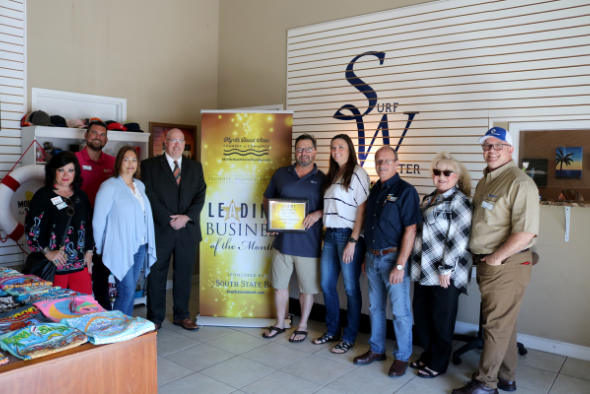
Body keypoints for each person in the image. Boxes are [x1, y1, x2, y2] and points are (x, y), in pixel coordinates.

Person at [453, 127, 539, 394]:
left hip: (506, 264)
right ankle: (506, 377)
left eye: (498, 145)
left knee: (495, 326)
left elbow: (526, 233)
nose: (491, 150)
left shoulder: (519, 182)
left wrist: (495, 259)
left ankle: (485, 384)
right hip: (490, 263)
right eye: (487, 146)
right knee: (504, 324)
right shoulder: (486, 180)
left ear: (510, 149)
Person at [353, 146, 421, 378]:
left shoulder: (406, 191)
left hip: (394, 260)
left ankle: (402, 357)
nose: (382, 165)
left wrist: (400, 265)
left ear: (397, 163)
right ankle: (377, 349)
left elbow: (410, 230)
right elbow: (370, 227)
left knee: (400, 312)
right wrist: (365, 256)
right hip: (372, 258)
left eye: (387, 161)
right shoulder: (375, 189)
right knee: (375, 308)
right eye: (378, 161)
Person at [409, 152, 473, 379]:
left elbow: (459, 239)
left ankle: (439, 363)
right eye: (437, 172)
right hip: (422, 270)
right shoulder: (428, 199)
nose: (441, 176)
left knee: (441, 319)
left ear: (457, 176)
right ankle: (429, 354)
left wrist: (446, 269)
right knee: (423, 316)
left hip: (445, 272)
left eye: (447, 172)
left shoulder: (460, 202)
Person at [261, 134, 326, 342]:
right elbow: (267, 198)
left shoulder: (324, 179)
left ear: (315, 151)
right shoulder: (281, 174)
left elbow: (333, 206)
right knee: (280, 285)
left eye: (307, 149)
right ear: (294, 151)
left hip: (309, 244)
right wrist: (271, 219)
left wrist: (318, 214)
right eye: (299, 149)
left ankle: (303, 325)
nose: (303, 153)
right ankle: (280, 323)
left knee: (307, 289)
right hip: (282, 243)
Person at [140, 128, 206, 331]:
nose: (177, 145)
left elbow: (200, 195)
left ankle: (182, 316)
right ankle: (155, 318)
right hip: (162, 229)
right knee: (157, 274)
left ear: (184, 144)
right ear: (165, 143)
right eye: (172, 141)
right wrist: (169, 219)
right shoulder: (149, 165)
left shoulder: (195, 167)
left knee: (184, 275)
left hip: (187, 229)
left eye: (180, 141)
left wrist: (186, 218)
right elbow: (148, 195)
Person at [312, 134, 369, 354]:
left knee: (351, 289)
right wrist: (320, 213)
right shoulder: (333, 174)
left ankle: (350, 336)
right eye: (333, 147)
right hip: (330, 236)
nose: (336, 151)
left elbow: (362, 211)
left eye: (341, 147)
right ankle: (333, 330)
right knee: (327, 285)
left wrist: (353, 241)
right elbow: (332, 206)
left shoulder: (358, 173)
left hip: (348, 237)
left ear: (350, 149)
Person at [93, 147, 157, 316]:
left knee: (129, 291)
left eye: (134, 160)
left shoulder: (140, 185)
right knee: (126, 290)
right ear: (119, 162)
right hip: (120, 246)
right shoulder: (109, 186)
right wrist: (99, 249)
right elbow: (98, 221)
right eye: (126, 159)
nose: (131, 164)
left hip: (140, 245)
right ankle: (116, 332)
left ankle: (125, 329)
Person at [24, 152, 94, 294]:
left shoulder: (81, 196)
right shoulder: (43, 195)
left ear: (76, 172)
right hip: (54, 266)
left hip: (80, 265)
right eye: (61, 170)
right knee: (55, 310)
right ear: (53, 171)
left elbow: (89, 225)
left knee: (83, 307)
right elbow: (32, 228)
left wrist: (90, 251)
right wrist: (47, 252)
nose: (65, 174)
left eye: (70, 170)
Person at [75, 120, 115, 310]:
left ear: (106, 139)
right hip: (79, 229)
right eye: (94, 133)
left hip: (106, 229)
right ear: (86, 135)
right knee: (80, 275)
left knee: (101, 274)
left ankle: (104, 313)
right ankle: (80, 313)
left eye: (102, 134)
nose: (98, 137)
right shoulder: (73, 160)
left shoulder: (113, 163)